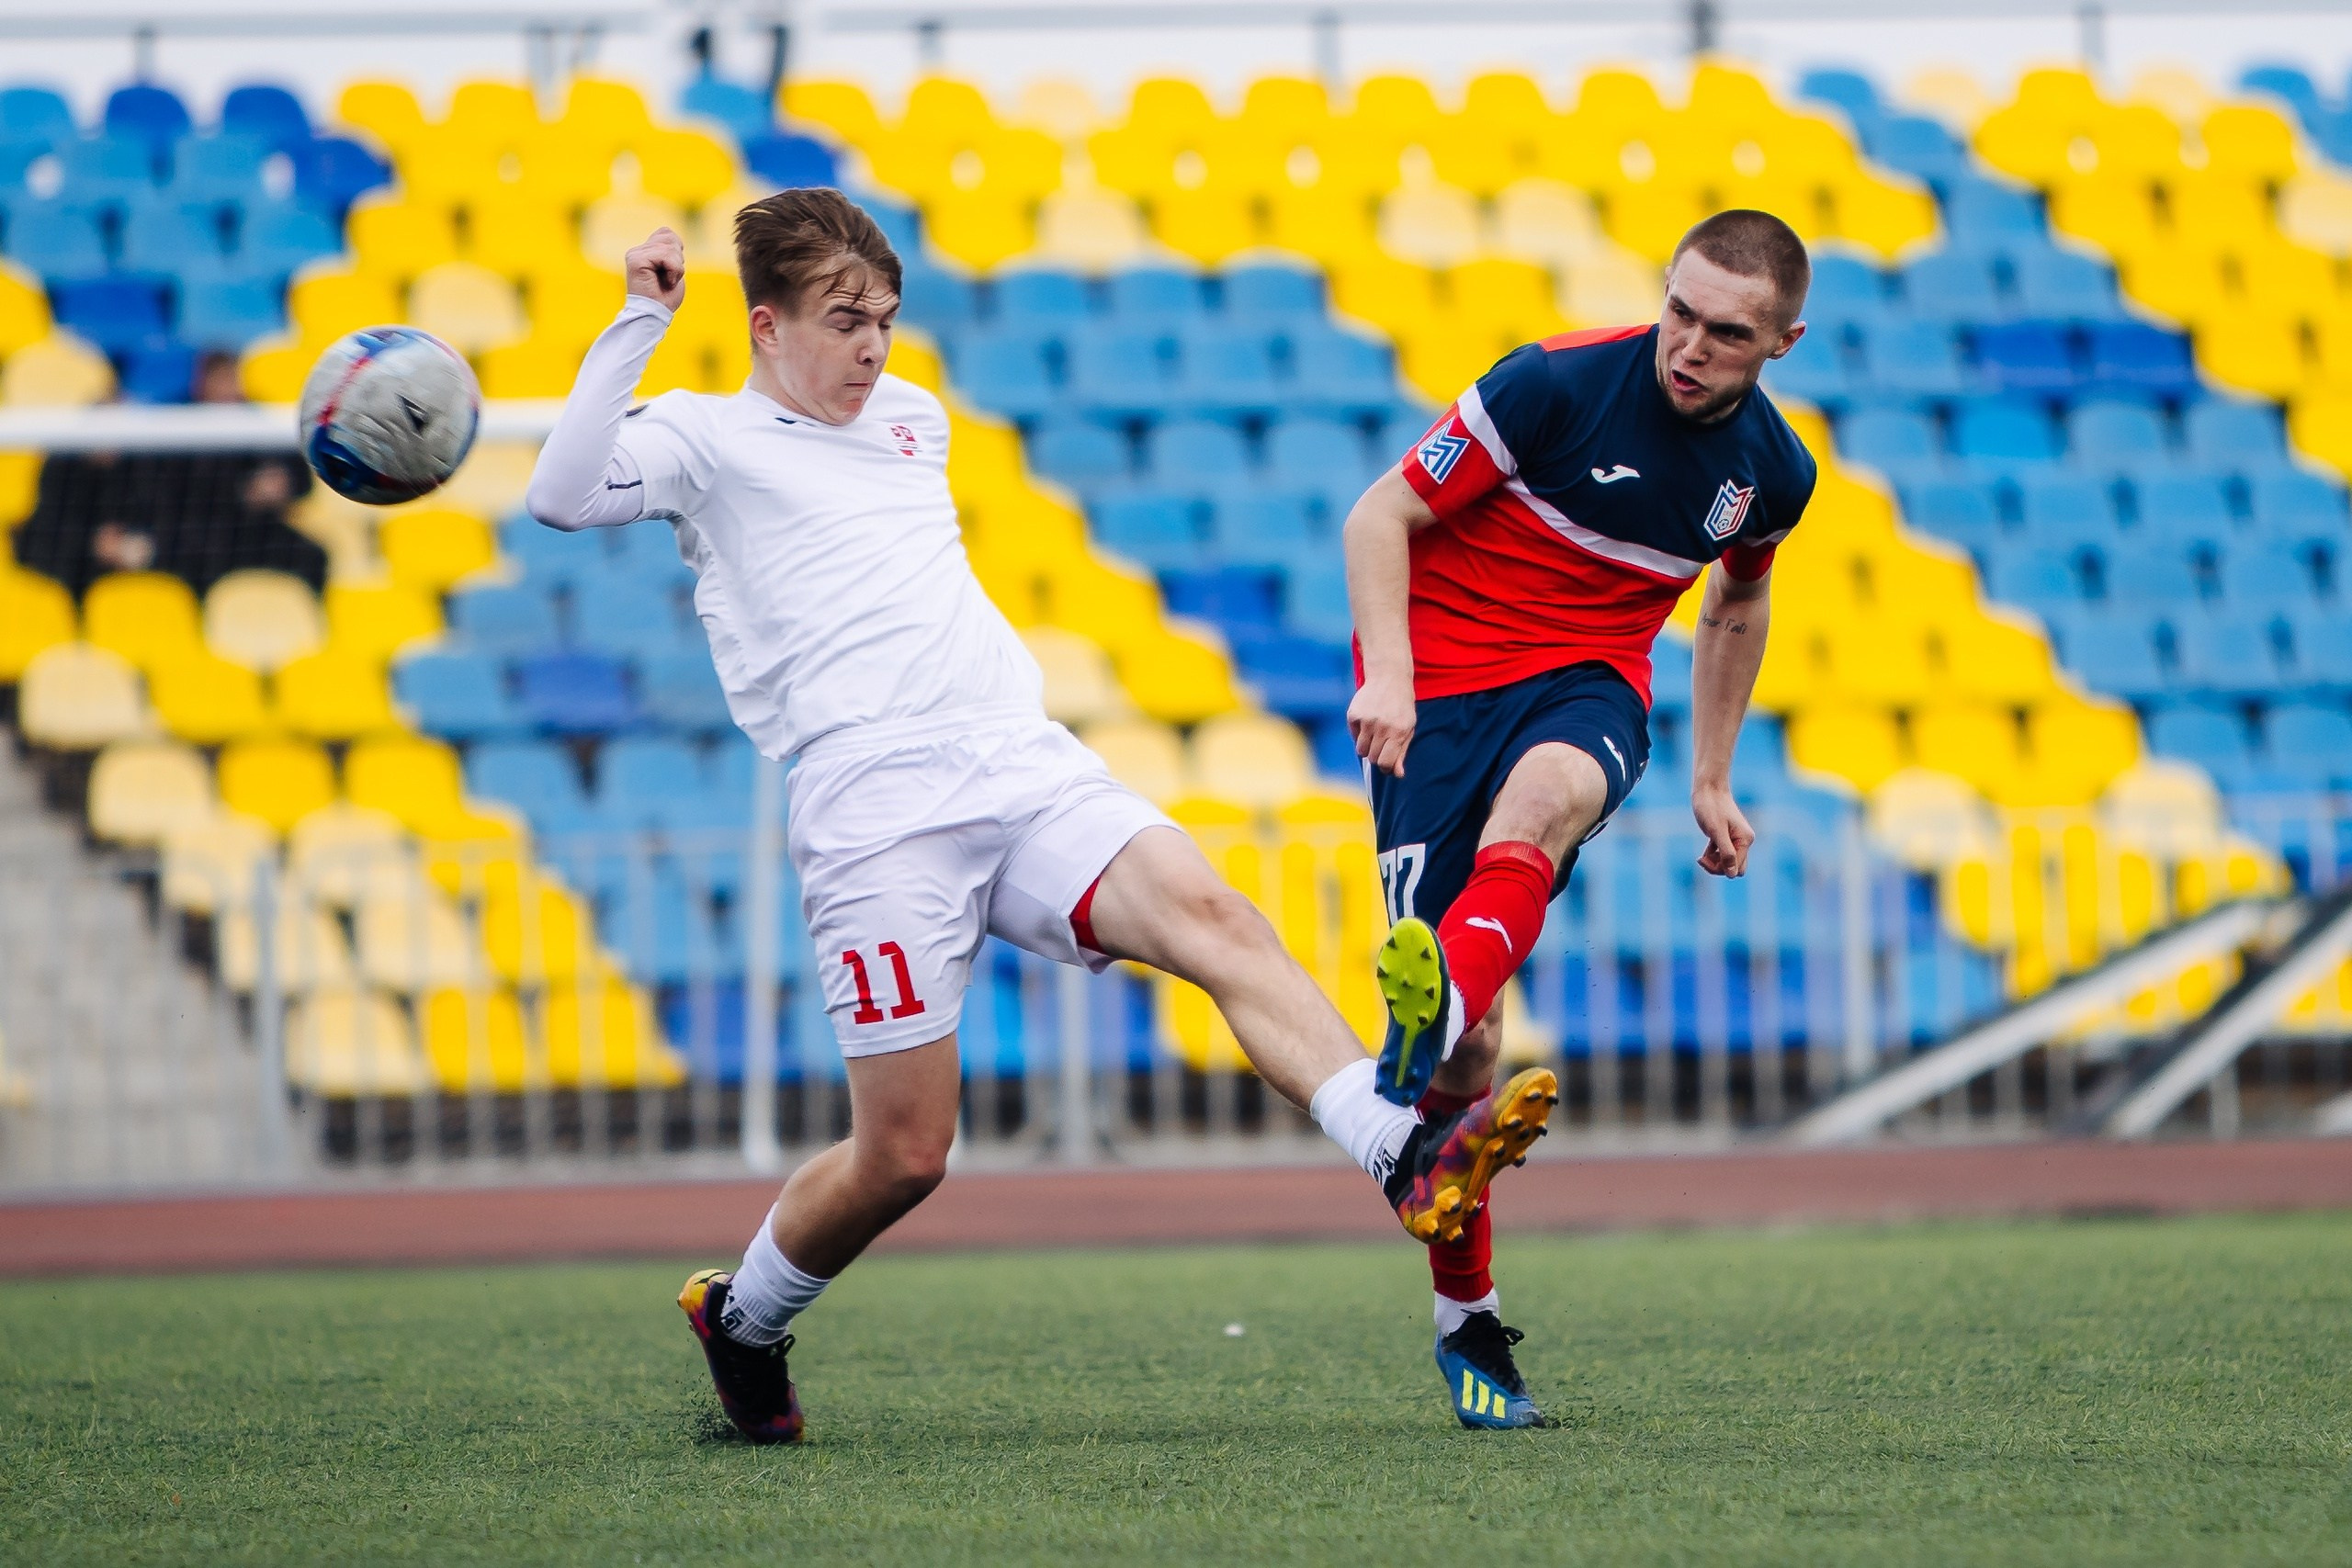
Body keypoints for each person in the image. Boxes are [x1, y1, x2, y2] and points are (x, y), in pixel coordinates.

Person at [524, 188, 1559, 1445]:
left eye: (887, 320)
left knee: (1215, 915)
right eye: (845, 320)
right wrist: (638, 317)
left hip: (1014, 757)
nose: (873, 347)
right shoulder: (700, 438)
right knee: (905, 1153)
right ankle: (742, 1315)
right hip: (871, 804)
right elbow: (562, 493)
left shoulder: (912, 418)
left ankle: (1401, 1155)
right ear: (765, 323)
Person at [1341, 209, 1817, 1429]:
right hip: (1438, 691)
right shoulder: (1550, 383)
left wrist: (1712, 775)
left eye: (1727, 331)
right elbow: (1377, 517)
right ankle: (1469, 1323)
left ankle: (1434, 994)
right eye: (1679, 311)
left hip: (1586, 681)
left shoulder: (1773, 469)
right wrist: (1387, 676)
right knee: (1471, 1062)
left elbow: (1734, 609)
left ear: (1781, 342)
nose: (1690, 345)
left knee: (1549, 800)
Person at [13, 352, 324, 597]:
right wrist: (96, 543)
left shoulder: (252, 421)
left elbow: (299, 477)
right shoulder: (67, 463)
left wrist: (280, 484)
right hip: (82, 564)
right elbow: (45, 528)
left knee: (308, 555)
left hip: (237, 533)